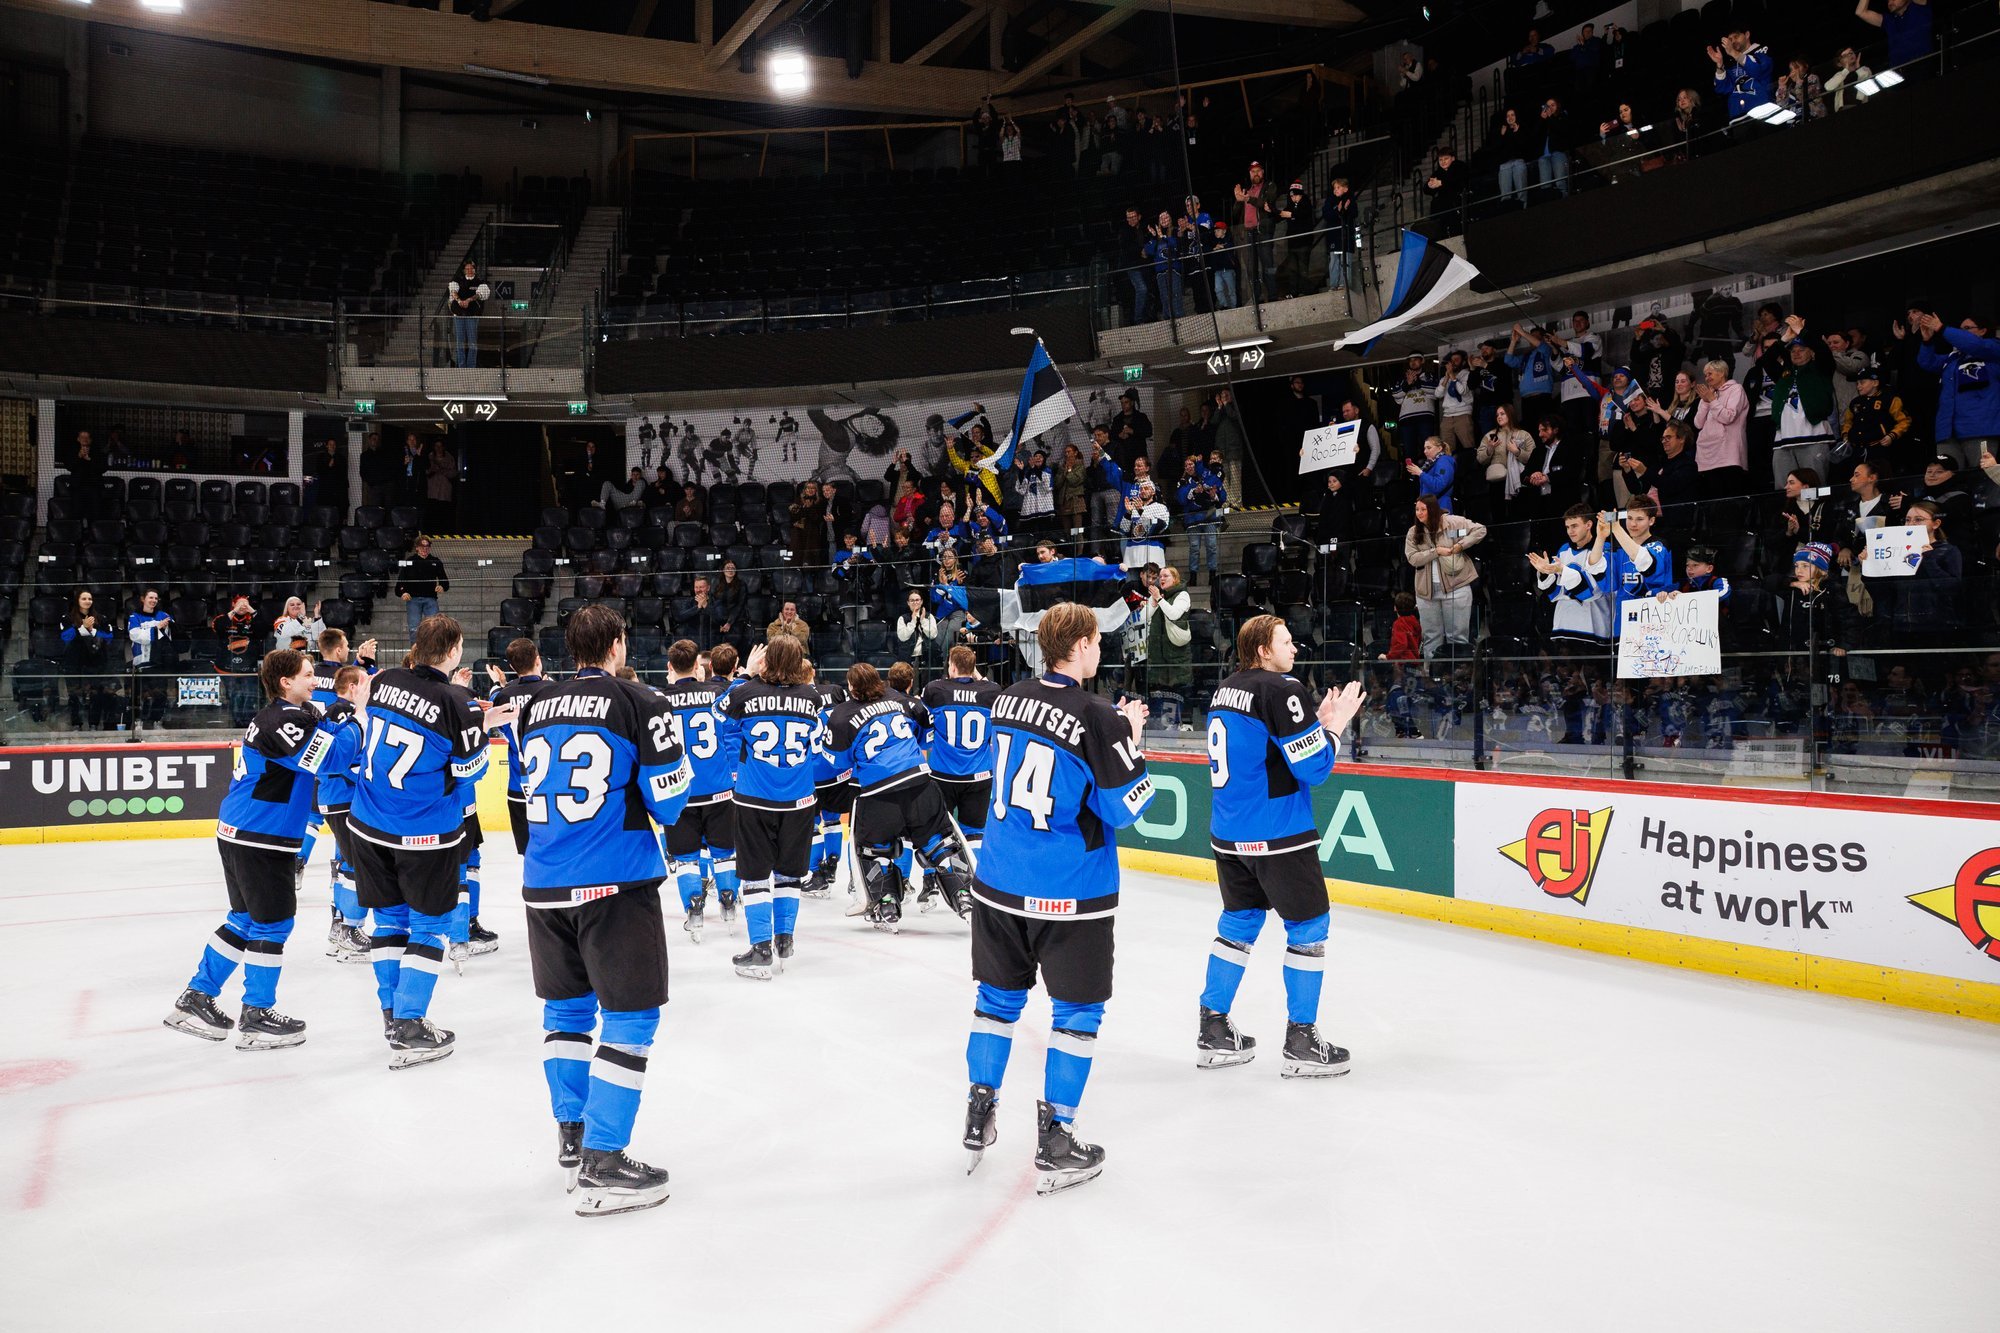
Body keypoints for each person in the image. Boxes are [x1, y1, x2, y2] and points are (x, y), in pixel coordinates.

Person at [960, 603, 1152, 1194]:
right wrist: (1132, 738)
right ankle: (1057, 1138)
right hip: (1069, 891)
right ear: (1085, 644)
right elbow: (1125, 807)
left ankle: (979, 1113)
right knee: (1076, 1014)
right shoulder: (1099, 714)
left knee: (995, 1003)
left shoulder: (1008, 696)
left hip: (998, 880)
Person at [515, 604, 691, 1217]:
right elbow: (668, 805)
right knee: (631, 1018)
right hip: (613, 881)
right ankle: (605, 1157)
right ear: (618, 644)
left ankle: (573, 1134)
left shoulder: (534, 706)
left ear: (570, 650)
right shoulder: (641, 700)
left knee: (566, 1012)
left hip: (542, 882)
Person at [1198, 614, 1365, 1076]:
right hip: (1278, 834)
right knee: (1309, 927)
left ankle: (1213, 1028)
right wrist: (1334, 727)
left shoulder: (1224, 690)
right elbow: (1314, 769)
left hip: (1229, 834)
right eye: (1286, 642)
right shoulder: (1282, 689)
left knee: (1239, 922)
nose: (1295, 649)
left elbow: (1265, 748)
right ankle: (1301, 1041)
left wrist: (1315, 723)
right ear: (1262, 651)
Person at [348, 615, 507, 1070]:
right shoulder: (456, 701)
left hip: (367, 824)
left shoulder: (384, 681)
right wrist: (480, 724)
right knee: (430, 926)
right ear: (454, 651)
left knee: (389, 922)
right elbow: (469, 770)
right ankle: (411, 1022)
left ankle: (391, 1014)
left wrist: (478, 721)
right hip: (423, 832)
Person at [163, 646, 334, 1050]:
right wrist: (349, 719)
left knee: (243, 918)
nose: (316, 681)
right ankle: (257, 1015)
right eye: (308, 675)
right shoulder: (283, 721)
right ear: (285, 682)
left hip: (242, 829)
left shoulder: (283, 715)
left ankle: (197, 997)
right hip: (263, 836)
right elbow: (329, 759)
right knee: (273, 924)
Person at [826, 662, 977, 929]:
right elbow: (924, 737)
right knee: (937, 843)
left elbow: (838, 762)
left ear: (851, 687)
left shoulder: (841, 715)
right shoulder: (904, 702)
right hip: (920, 785)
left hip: (878, 794)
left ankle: (887, 903)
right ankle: (963, 896)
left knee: (876, 851)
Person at [714, 639, 821, 980]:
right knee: (790, 872)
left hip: (754, 799)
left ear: (766, 661)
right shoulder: (812, 696)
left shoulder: (745, 692)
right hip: (800, 799)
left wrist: (745, 673)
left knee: (756, 874)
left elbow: (718, 715)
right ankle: (785, 938)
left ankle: (761, 948)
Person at [654, 638, 740, 939]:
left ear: (669, 667)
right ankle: (729, 902)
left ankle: (694, 910)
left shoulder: (659, 701)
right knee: (724, 852)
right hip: (719, 789)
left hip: (679, 793)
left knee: (687, 857)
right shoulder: (716, 694)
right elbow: (733, 732)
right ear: (698, 667)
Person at [921, 645, 1004, 868]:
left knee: (937, 830)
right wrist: (975, 673)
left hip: (943, 775)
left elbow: (923, 722)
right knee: (975, 832)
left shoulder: (935, 689)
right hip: (979, 776)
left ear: (953, 667)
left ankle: (935, 881)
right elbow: (988, 689)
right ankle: (972, 878)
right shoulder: (991, 691)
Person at [312, 663, 372, 964]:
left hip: (341, 797)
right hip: (341, 797)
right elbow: (335, 759)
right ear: (352, 688)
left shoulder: (343, 711)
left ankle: (340, 929)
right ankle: (349, 930)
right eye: (365, 684)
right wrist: (366, 777)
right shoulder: (340, 712)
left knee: (347, 863)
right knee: (355, 865)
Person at [485, 638, 553, 857]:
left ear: (513, 667)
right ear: (538, 660)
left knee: (528, 853)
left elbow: (496, 699)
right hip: (552, 785)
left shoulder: (504, 696)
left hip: (518, 786)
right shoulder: (554, 691)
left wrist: (498, 683)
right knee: (556, 848)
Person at [1910, 309, 2000, 471]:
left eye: (1967, 328)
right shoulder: (1954, 357)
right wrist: (1927, 341)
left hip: (1979, 428)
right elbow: (1927, 362)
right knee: (1946, 476)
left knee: (1983, 478)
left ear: (1983, 330)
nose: (1960, 332)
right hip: (1948, 429)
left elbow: (1975, 345)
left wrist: (1942, 328)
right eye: (1959, 329)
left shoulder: (1993, 348)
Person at [1404, 496, 1486, 659]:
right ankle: (1431, 677)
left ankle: (1458, 678)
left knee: (1457, 638)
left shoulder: (1453, 523)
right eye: (1417, 509)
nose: (1419, 513)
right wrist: (1436, 551)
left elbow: (1480, 530)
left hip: (1457, 587)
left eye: (1423, 509)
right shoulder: (1414, 532)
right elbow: (1412, 558)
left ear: (1433, 509)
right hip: (1426, 593)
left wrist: (1461, 545)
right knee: (1431, 638)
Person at [1529, 505, 1614, 649]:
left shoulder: (1603, 548)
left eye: (1574, 526)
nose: (1570, 531)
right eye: (1567, 527)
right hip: (1564, 626)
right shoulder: (1564, 550)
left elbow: (1592, 592)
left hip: (1594, 629)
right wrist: (1546, 572)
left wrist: (1562, 571)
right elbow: (1556, 594)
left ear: (1588, 525)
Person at [60, 589, 118, 731]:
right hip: (74, 662)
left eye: (90, 599)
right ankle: (76, 724)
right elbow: (65, 637)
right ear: (77, 601)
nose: (87, 601)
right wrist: (81, 627)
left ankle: (94, 724)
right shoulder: (67, 618)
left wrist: (93, 630)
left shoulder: (101, 618)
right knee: (75, 694)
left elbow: (109, 638)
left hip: (96, 662)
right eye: (84, 598)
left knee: (96, 694)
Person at [1693, 358, 1752, 496]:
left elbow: (1728, 417)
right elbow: (1698, 423)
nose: (1707, 378)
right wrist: (1706, 401)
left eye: (1710, 374)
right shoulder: (1709, 394)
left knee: (1728, 500)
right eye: (1705, 374)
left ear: (1722, 373)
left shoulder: (1736, 389)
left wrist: (1712, 400)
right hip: (1707, 456)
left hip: (1728, 456)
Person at [1142, 566, 1193, 692]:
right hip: (1157, 653)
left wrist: (1159, 599)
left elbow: (1174, 614)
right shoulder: (1157, 594)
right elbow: (1143, 617)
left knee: (1178, 691)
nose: (1161, 579)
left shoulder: (1182, 595)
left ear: (1175, 579)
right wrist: (1153, 604)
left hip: (1176, 653)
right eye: (1160, 577)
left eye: (1166, 576)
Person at [397, 536, 448, 639]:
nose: (424, 549)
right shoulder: (409, 561)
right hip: (413, 600)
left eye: (427, 546)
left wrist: (442, 586)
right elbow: (400, 583)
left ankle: (433, 654)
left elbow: (445, 581)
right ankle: (415, 654)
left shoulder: (435, 561)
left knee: (434, 628)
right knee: (414, 629)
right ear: (417, 548)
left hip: (430, 599)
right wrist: (403, 592)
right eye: (422, 546)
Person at [1118, 479, 1169, 570]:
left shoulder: (1160, 507)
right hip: (1132, 557)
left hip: (1152, 556)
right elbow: (1124, 529)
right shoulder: (1133, 508)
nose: (1142, 491)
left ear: (1153, 491)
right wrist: (1128, 513)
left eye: (1146, 488)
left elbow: (1158, 527)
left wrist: (1141, 511)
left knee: (1151, 584)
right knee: (1132, 584)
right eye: (1141, 489)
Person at [448, 260, 485, 368]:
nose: (469, 270)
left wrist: (468, 300)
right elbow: (453, 292)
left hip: (472, 316)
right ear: (464, 270)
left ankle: (471, 366)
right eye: (467, 269)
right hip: (459, 315)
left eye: (471, 268)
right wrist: (460, 301)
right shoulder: (457, 281)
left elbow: (480, 294)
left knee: (472, 341)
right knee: (460, 341)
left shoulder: (480, 282)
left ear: (474, 269)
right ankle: (461, 366)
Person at [896, 589, 940, 668]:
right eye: (912, 600)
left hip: (927, 657)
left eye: (917, 600)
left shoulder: (929, 617)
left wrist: (923, 621)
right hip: (907, 658)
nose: (915, 602)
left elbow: (932, 635)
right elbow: (902, 637)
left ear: (921, 601)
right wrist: (912, 622)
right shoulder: (902, 618)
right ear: (908, 603)